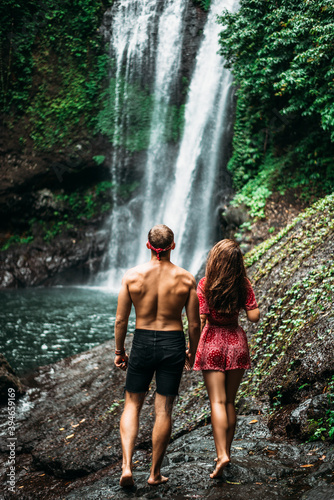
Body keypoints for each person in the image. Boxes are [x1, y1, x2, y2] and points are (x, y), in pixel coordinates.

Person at [114, 224, 200, 487]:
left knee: (132, 405)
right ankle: (154, 474)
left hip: (141, 341)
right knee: (163, 410)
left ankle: (127, 467)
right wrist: (192, 352)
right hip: (171, 342)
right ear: (173, 245)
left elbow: (120, 320)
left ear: (148, 245)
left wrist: (120, 351)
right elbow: (195, 324)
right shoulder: (186, 279)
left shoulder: (132, 276)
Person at [193, 239, 260, 478]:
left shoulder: (205, 284)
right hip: (236, 343)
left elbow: (201, 319)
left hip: (212, 341)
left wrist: (193, 346)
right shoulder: (243, 284)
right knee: (230, 402)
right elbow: (254, 316)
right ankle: (226, 451)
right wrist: (247, 300)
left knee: (217, 403)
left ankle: (221, 453)